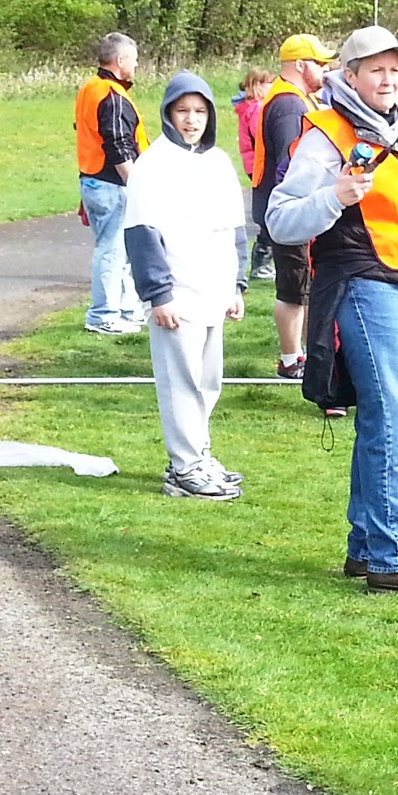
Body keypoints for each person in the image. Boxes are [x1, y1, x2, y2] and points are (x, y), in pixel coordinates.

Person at [266, 24, 398, 595]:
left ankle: (366, 549)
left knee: (387, 417)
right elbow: (280, 219)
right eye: (375, 69)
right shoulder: (326, 135)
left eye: (393, 69)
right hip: (365, 284)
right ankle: (392, 558)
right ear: (351, 75)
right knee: (393, 420)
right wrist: (334, 197)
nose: (387, 79)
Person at [124, 72, 248, 500]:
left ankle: (199, 453)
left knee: (207, 380)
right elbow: (141, 233)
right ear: (168, 113)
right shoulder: (153, 164)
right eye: (183, 111)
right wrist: (158, 294)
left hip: (213, 289)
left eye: (199, 112)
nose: (191, 120)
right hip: (177, 294)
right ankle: (185, 465)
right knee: (180, 382)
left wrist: (237, 284)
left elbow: (233, 227)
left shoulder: (216, 162)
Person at [251, 34, 335, 379]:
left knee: (302, 284)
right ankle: (291, 360)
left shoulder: (296, 98)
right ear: (300, 65)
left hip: (284, 206)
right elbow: (292, 158)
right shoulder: (289, 103)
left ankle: (303, 355)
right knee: (294, 287)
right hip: (289, 209)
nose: (325, 70)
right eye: (320, 63)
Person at [74, 32, 149, 335]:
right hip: (111, 183)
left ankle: (127, 310)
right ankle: (103, 315)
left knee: (119, 249)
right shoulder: (112, 95)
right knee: (112, 251)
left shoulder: (90, 89)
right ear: (120, 61)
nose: (136, 65)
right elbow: (118, 144)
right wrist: (136, 184)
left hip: (93, 178)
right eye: (133, 59)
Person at [233, 67, 274, 280]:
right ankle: (262, 263)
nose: (272, 87)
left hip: (252, 163)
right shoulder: (257, 108)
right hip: (260, 163)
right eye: (268, 83)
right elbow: (263, 136)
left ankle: (262, 260)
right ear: (257, 86)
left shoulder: (246, 107)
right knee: (270, 207)